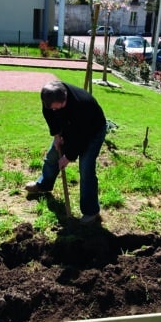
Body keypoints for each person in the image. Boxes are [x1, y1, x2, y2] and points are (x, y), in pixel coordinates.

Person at [25, 81, 107, 224]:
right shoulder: (49, 96)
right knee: (52, 156)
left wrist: (68, 157)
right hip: (69, 126)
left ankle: (91, 211)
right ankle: (43, 185)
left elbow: (81, 137)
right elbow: (49, 115)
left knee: (86, 169)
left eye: (59, 107)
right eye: (53, 108)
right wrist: (56, 135)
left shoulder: (82, 104)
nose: (55, 110)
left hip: (92, 131)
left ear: (65, 99)